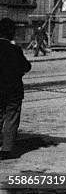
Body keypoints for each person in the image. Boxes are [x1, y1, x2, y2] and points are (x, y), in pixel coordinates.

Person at [0, 18, 32, 160]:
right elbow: (26, 67)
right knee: (11, 118)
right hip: (13, 91)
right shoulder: (15, 50)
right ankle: (6, 150)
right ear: (11, 33)